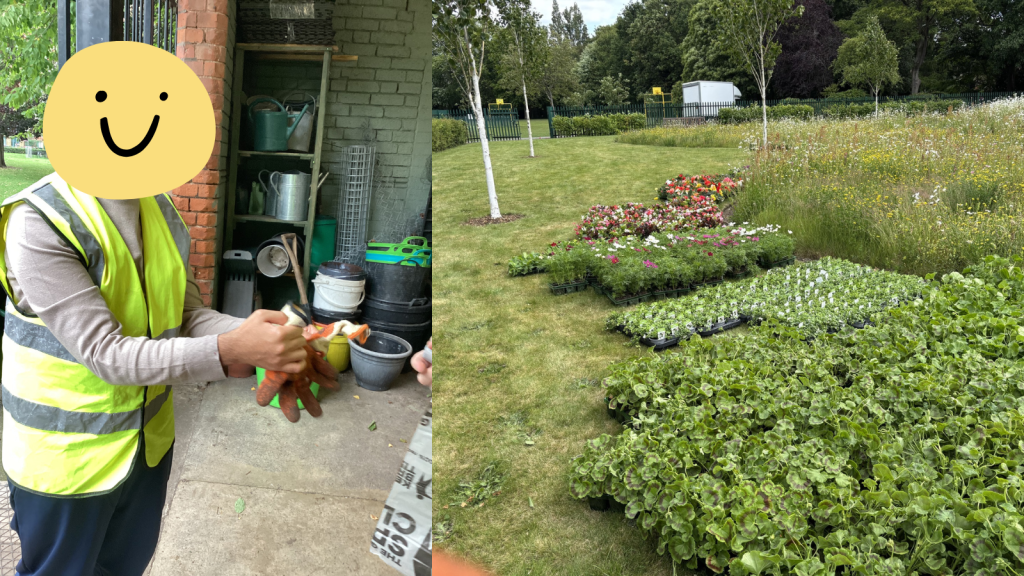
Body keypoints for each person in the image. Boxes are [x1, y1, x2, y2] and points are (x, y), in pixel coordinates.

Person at [0, 174, 309, 576]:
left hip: (146, 449)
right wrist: (229, 348)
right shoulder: (40, 219)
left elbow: (187, 316)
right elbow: (104, 352)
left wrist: (265, 340)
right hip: (66, 464)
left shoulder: (159, 208)